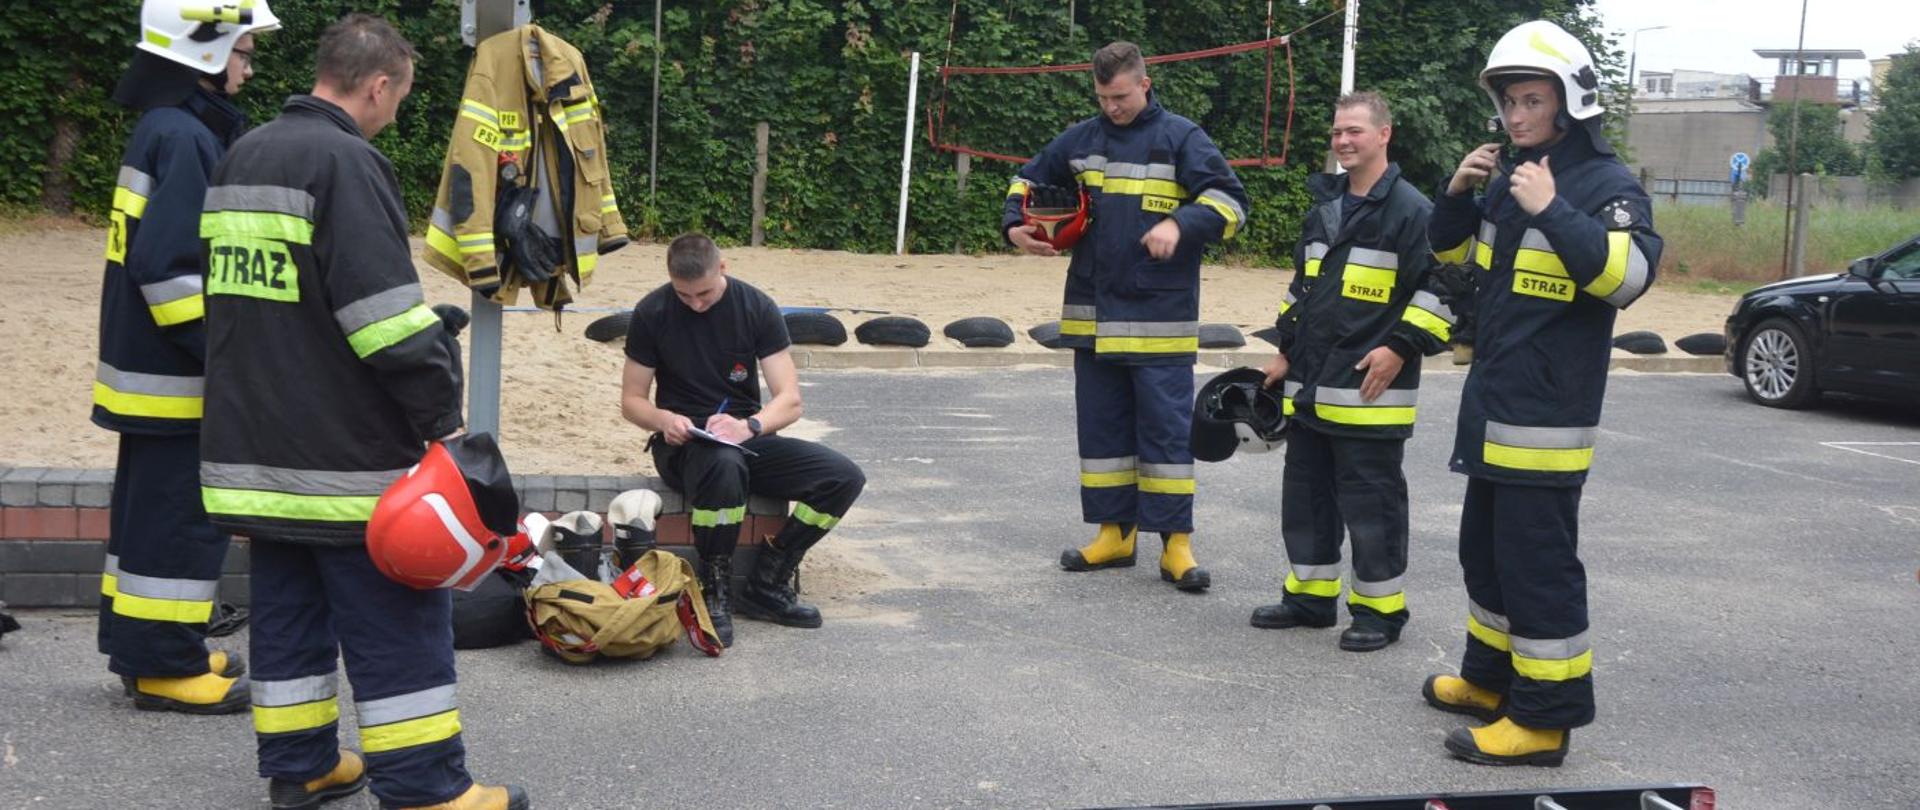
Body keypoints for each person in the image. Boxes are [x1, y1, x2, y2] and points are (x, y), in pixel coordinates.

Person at [198, 14, 527, 810]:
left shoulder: (246, 152)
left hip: (253, 452)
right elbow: (383, 320)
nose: (394, 112)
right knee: (397, 623)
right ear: (378, 85)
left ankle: (302, 767)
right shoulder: (347, 162)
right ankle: (424, 789)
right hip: (343, 458)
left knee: (289, 622)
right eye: (400, 97)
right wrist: (438, 413)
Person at [1422, 20, 1661, 767]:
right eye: (1509, 102)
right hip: (1493, 407)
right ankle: (1492, 681)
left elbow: (1627, 281)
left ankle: (1546, 719)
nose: (1516, 116)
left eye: (1531, 100)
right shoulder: (1511, 178)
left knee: (1537, 567)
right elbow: (1454, 258)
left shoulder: (1605, 187)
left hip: (1546, 419)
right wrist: (1460, 195)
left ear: (1571, 103)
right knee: (1485, 557)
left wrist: (1552, 208)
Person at [1003, 41, 1250, 591]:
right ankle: (1115, 536)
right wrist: (1016, 226)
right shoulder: (1082, 138)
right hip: (1093, 316)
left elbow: (1231, 203)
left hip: (1159, 318)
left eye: (1119, 96)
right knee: (1104, 433)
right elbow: (1027, 180)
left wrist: (1182, 225)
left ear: (1144, 84)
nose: (1111, 107)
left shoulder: (1182, 137)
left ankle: (1176, 546)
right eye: (1102, 97)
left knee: (1165, 437)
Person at [92, 0, 279, 715]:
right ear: (201, 53)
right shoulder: (187, 139)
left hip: (145, 374)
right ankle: (166, 667)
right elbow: (168, 271)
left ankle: (142, 645)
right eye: (240, 51)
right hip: (175, 380)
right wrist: (226, 355)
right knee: (177, 524)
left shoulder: (164, 128)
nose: (248, 65)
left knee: (144, 522)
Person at [1249, 92, 1452, 652]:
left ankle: (1380, 611)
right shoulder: (1325, 208)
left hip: (1369, 391)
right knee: (1307, 498)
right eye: (1337, 131)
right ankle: (1310, 599)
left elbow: (1441, 289)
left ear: (1384, 134)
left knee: (1372, 506)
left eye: (1355, 131)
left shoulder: (1412, 211)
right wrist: (1285, 349)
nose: (1343, 141)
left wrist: (1400, 347)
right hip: (1311, 388)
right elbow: (1303, 289)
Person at [620, 233, 867, 648]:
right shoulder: (652, 311)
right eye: (685, 295)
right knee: (723, 465)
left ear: (723, 268)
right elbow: (631, 402)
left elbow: (789, 401)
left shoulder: (756, 307)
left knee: (842, 477)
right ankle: (714, 583)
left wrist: (749, 427)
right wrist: (665, 420)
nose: (695, 303)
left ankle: (768, 579)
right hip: (684, 447)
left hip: (743, 438)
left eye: (704, 294)